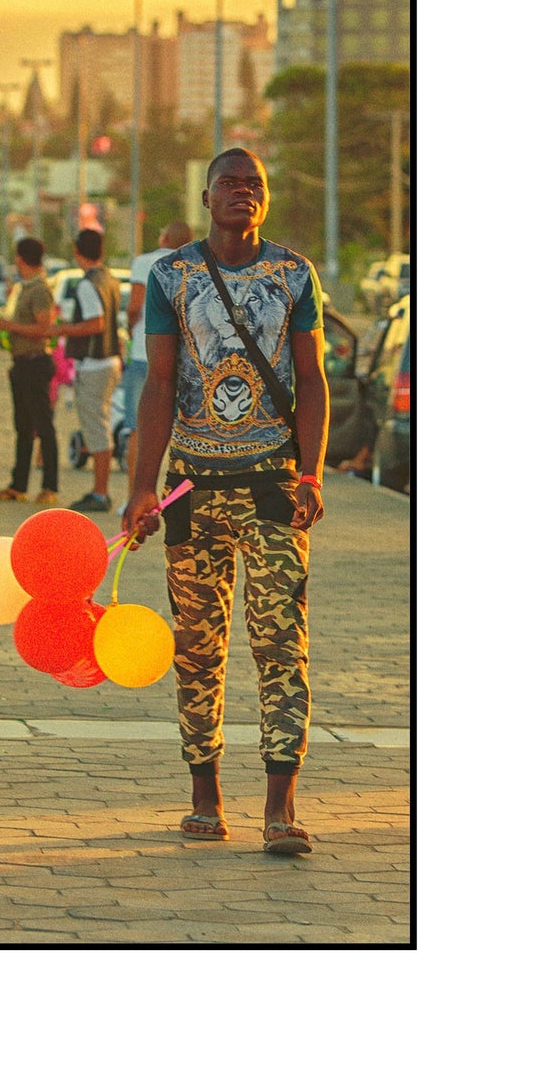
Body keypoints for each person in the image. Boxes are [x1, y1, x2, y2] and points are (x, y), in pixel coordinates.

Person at [123, 148, 329, 856]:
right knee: (196, 649)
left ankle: (280, 807)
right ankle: (204, 797)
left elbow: (311, 379)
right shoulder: (170, 275)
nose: (243, 192)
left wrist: (310, 476)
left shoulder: (292, 273)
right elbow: (157, 385)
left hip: (270, 485)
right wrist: (140, 487)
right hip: (191, 488)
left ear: (263, 200)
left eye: (255, 184)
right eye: (229, 183)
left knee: (280, 644)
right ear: (206, 196)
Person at [51, 228, 122, 514]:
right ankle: (99, 489)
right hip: (110, 360)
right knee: (98, 424)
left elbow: (96, 324)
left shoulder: (86, 284)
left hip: (94, 362)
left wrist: (61, 329)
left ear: (77, 252)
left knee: (96, 428)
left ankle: (100, 492)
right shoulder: (111, 278)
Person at [123, 220, 194, 501]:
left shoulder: (144, 262)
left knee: (138, 427)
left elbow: (135, 305)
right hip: (185, 357)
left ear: (163, 236)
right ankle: (181, 496)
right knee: (186, 431)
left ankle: (136, 495)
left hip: (145, 352)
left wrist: (130, 329)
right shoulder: (194, 261)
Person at [0, 237, 60, 504]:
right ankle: (18, 485)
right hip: (21, 363)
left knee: (44, 427)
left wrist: (10, 327)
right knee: (23, 426)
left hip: (36, 362)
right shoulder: (24, 288)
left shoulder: (40, 290)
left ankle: (49, 486)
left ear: (20, 259)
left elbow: (44, 328)